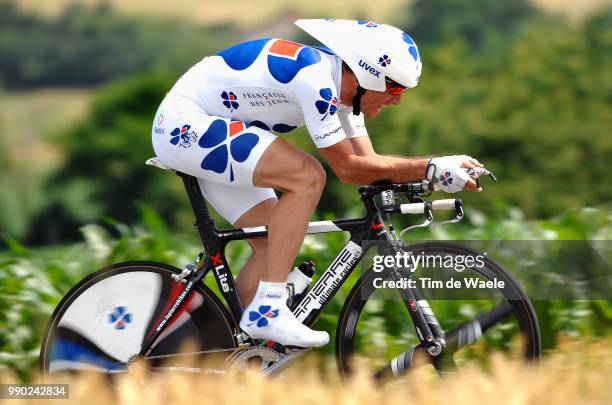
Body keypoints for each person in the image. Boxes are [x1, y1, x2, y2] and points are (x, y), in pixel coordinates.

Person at [151, 19, 483, 348]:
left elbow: (372, 165)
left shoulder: (346, 98)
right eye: (395, 88)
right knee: (307, 176)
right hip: (186, 124)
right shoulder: (318, 82)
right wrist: (430, 167)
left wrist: (432, 176)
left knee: (273, 244)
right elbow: (349, 169)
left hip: (217, 131)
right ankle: (268, 309)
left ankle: (222, 348)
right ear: (367, 74)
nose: (397, 100)